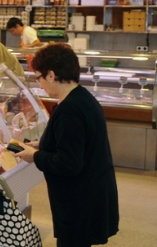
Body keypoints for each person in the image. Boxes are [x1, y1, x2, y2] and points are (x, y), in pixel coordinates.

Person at [14, 43, 119, 247]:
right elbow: (74, 142)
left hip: (79, 202)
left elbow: (69, 163)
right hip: (90, 195)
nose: (40, 83)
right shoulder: (81, 97)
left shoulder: (70, 109)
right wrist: (41, 144)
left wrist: (34, 156)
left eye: (39, 77)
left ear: (51, 75)